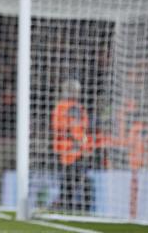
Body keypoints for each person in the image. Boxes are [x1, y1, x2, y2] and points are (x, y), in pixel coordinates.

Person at [51, 79, 92, 210]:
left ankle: (74, 205)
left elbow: (85, 130)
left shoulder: (80, 108)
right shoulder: (60, 107)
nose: (75, 93)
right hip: (64, 149)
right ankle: (64, 203)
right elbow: (59, 128)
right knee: (67, 179)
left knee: (79, 178)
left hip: (79, 150)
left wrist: (85, 145)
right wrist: (75, 141)